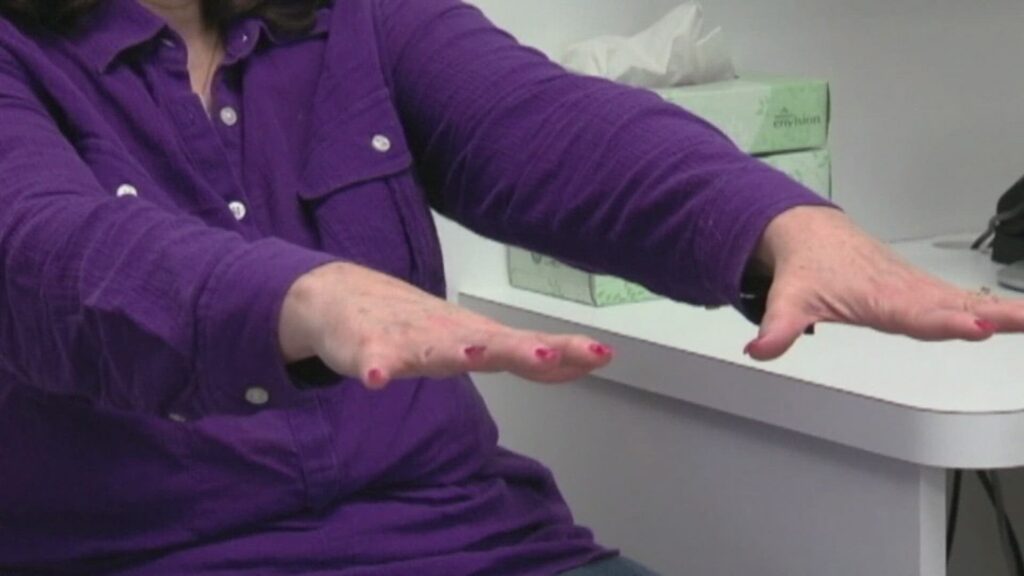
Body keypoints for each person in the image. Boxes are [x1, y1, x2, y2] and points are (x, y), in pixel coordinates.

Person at [0, 0, 1020, 574]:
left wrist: (781, 224)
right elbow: (47, 249)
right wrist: (301, 300)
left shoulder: (357, 16)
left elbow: (548, 125)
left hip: (474, 547)